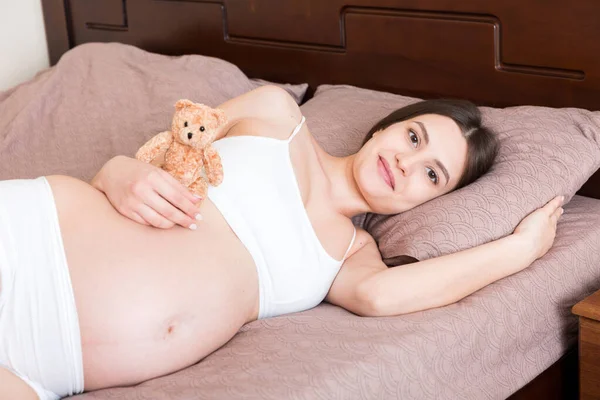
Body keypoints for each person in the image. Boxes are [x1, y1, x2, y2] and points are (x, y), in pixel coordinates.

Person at [0, 85, 564, 399]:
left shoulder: (351, 259)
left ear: (431, 202)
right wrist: (116, 170)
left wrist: (520, 251)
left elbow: (385, 299)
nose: (406, 161)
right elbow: (178, 143)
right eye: (413, 136)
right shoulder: (276, 117)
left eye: (433, 174)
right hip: (28, 237)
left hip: (50, 366)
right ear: (384, 128)